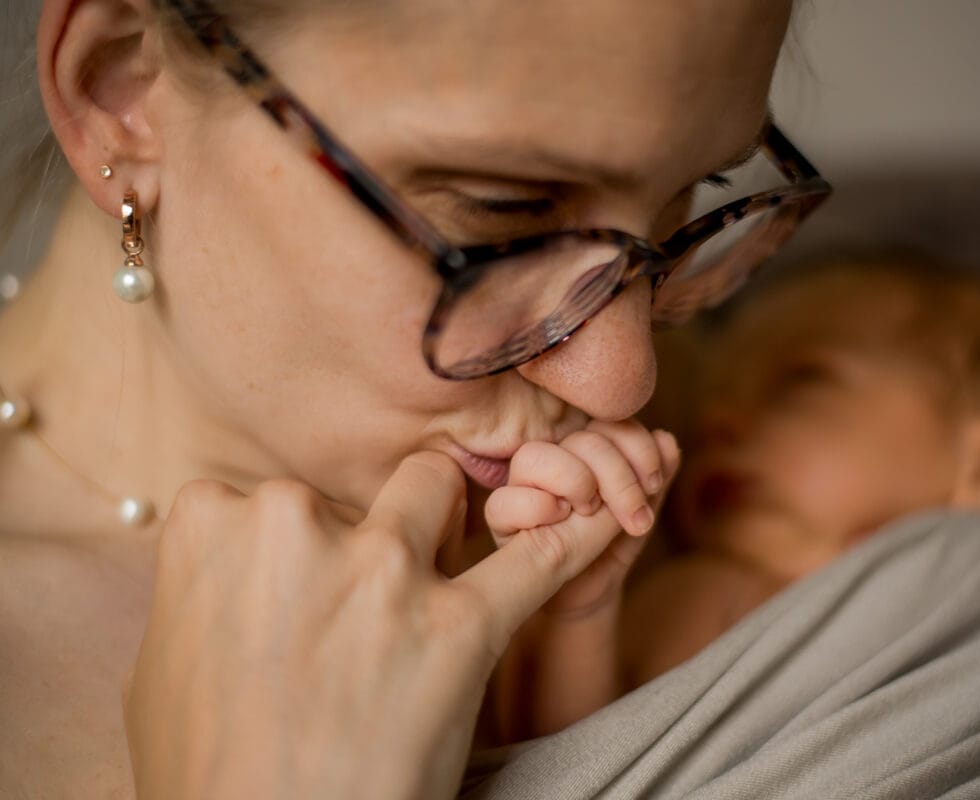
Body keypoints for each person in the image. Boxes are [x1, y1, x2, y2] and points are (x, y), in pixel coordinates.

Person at [0, 0, 829, 797]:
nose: (622, 380)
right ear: (119, 86)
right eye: (504, 212)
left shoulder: (752, 469)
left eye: (690, 195)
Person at [485, 254, 980, 738]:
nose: (718, 422)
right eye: (714, 399)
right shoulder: (712, 593)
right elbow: (570, 765)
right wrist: (581, 609)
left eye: (798, 383)